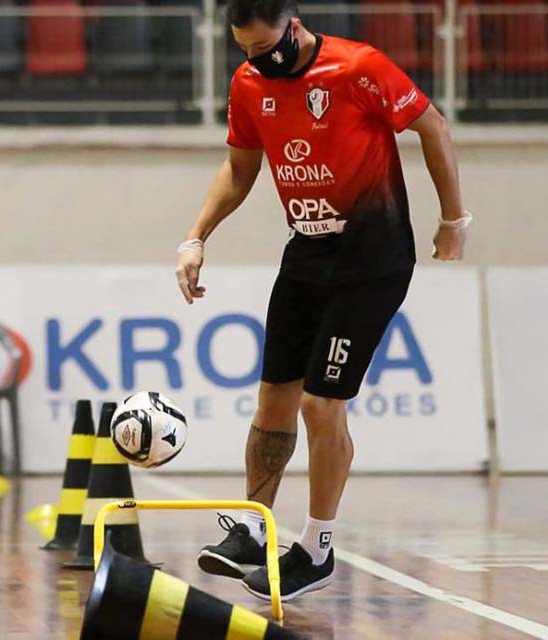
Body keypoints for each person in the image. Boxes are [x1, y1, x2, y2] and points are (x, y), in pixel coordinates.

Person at [174, 0, 470, 602]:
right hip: (305, 253)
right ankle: (254, 529)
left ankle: (316, 548)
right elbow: (239, 168)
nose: (257, 61)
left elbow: (432, 126)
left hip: (372, 259)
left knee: (320, 404)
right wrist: (196, 236)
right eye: (246, 52)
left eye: (265, 48)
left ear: (295, 25)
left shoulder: (358, 67)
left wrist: (452, 219)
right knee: (273, 397)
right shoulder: (249, 83)